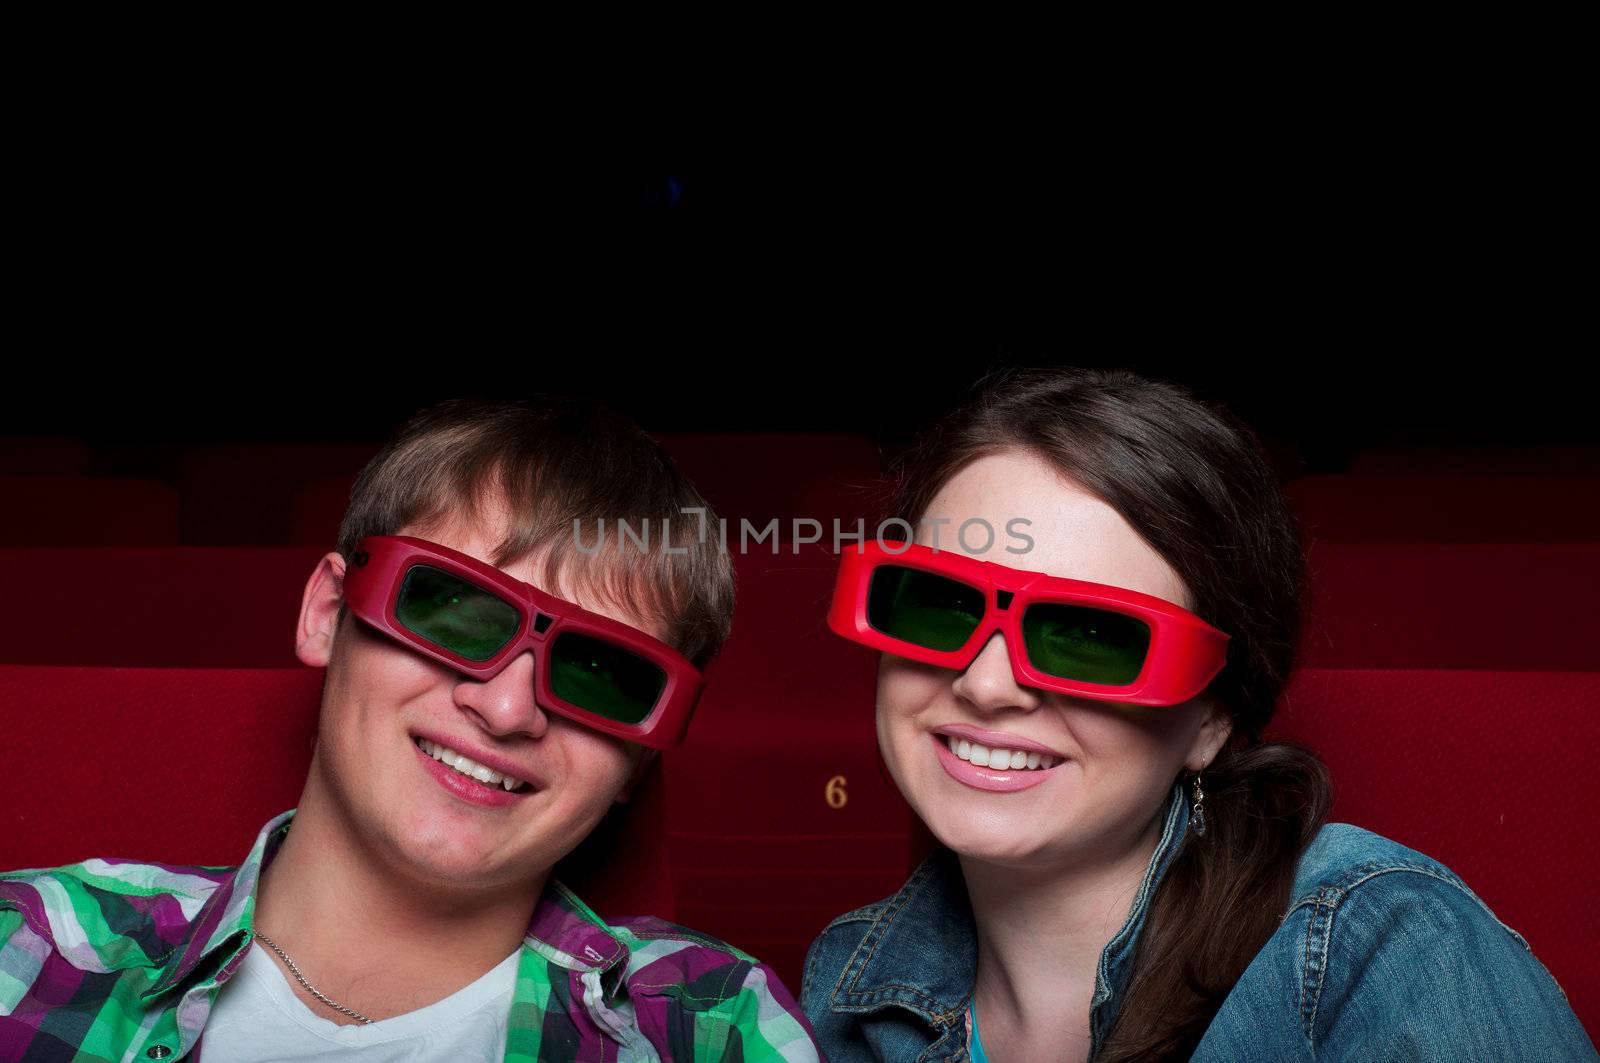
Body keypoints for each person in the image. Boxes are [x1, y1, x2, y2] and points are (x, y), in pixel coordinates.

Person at [800, 367, 1597, 1062]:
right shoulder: (845, 988)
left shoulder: (1384, 952)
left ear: (1213, 718)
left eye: (1089, 636)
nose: (985, 683)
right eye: (940, 604)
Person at [0, 396, 823, 1062]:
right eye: (457, 612)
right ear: (329, 614)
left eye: (601, 673)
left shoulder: (714, 1030)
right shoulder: (26, 951)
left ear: (638, 762)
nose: (507, 709)